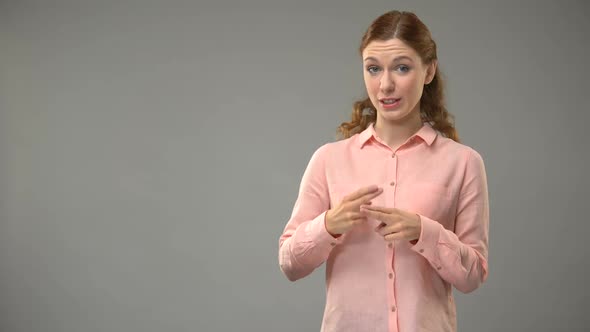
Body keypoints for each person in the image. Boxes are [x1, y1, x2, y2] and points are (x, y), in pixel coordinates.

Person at [277, 10, 489, 332]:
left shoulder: (464, 163)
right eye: (373, 68)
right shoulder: (328, 160)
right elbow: (289, 264)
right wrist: (328, 225)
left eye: (402, 68)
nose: (385, 84)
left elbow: (473, 276)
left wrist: (423, 231)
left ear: (429, 70)